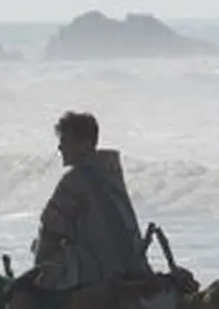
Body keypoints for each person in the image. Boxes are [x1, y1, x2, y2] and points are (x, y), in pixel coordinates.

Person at [30, 111, 150, 293]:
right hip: (133, 266)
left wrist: (40, 267)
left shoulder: (74, 182)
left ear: (84, 143)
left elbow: (50, 230)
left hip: (98, 270)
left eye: (65, 141)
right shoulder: (111, 175)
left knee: (21, 293)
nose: (60, 147)